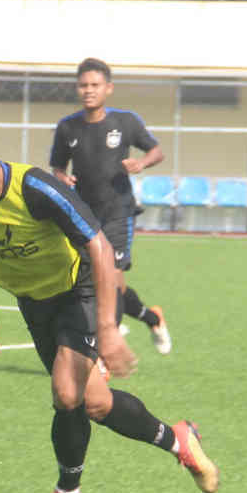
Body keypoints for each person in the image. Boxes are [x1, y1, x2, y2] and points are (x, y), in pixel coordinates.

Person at [0, 101, 218, 493]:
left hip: (79, 289)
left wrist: (108, 328)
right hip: (34, 301)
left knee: (66, 394)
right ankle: (179, 440)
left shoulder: (34, 188)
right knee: (96, 404)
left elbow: (99, 246)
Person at [50, 58, 172, 355]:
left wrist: (142, 163)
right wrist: (62, 178)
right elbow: (57, 167)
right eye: (83, 85)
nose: (88, 90)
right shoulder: (67, 127)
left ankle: (104, 355)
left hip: (118, 213)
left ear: (108, 88)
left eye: (95, 85)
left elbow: (157, 151)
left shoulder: (125, 122)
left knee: (111, 281)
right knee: (105, 285)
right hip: (85, 216)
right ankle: (153, 318)